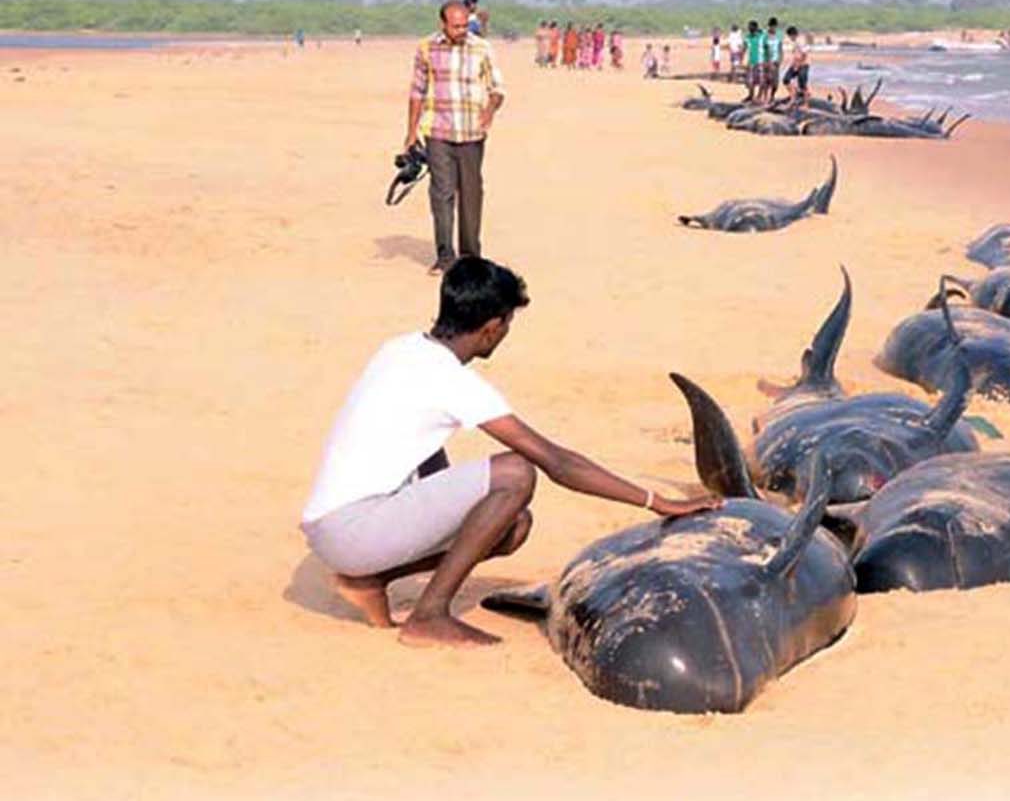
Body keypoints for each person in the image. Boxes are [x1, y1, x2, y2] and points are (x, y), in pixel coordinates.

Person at [301, 257, 719, 647]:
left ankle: (370, 581)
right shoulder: (450, 380)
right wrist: (658, 502)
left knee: (510, 526)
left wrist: (446, 517)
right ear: (492, 327)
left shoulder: (402, 348)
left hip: (336, 526)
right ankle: (428, 616)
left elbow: (424, 447)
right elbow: (555, 462)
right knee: (516, 473)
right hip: (353, 529)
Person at [406, 0, 505, 273]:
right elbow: (417, 92)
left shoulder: (481, 48)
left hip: (472, 132)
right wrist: (411, 133)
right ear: (443, 24)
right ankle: (445, 256)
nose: (462, 30)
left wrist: (490, 109)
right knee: (442, 193)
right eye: (456, 26)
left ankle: (471, 257)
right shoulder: (426, 48)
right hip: (438, 132)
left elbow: (497, 88)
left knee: (471, 194)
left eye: (464, 25)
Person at [782, 25, 809, 108]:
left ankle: (806, 104)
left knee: (803, 85)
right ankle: (793, 97)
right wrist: (794, 64)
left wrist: (798, 65)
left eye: (790, 36)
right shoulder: (794, 42)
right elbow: (795, 55)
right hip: (795, 64)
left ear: (793, 34)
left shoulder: (801, 41)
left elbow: (804, 55)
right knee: (786, 79)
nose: (790, 38)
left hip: (803, 65)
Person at [743, 20, 764, 102]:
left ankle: (759, 96)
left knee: (762, 80)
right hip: (751, 62)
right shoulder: (747, 37)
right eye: (748, 27)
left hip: (761, 61)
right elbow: (744, 48)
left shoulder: (761, 36)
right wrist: (741, 60)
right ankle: (751, 95)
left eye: (750, 27)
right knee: (750, 81)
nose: (749, 28)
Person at [763, 17, 782, 103]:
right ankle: (766, 97)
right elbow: (763, 49)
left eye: (775, 27)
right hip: (767, 61)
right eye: (772, 27)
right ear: (769, 26)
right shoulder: (765, 36)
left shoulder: (779, 36)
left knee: (775, 83)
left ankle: (772, 96)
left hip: (776, 61)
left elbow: (780, 49)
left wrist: (780, 60)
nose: (773, 28)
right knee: (767, 81)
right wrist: (766, 61)